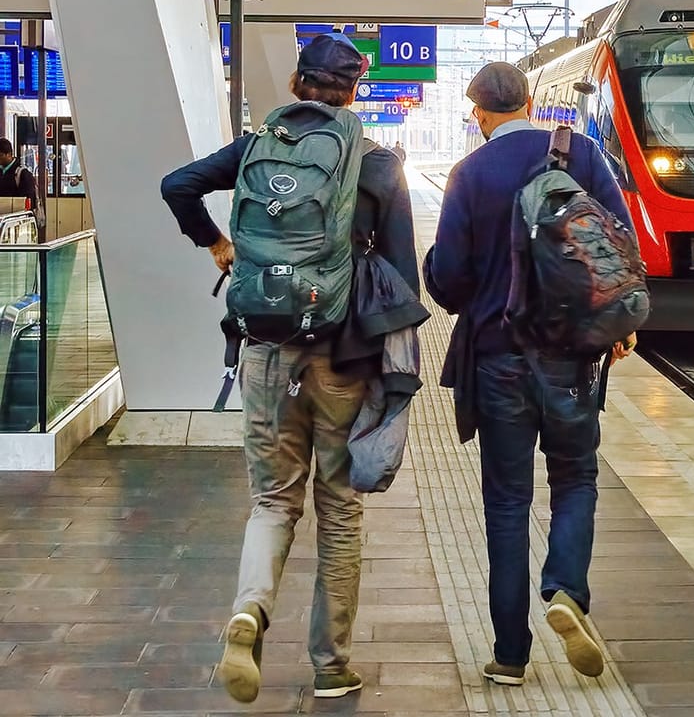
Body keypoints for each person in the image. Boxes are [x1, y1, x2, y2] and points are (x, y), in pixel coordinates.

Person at [160, 35, 417, 704]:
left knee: (273, 502)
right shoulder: (378, 164)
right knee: (338, 512)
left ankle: (249, 611)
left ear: (298, 84)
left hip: (264, 351)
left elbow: (177, 185)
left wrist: (215, 242)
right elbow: (403, 286)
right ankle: (332, 665)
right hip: (342, 360)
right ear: (353, 90)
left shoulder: (253, 149)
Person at [425, 62, 635, 686]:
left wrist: (444, 262)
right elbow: (620, 248)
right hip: (570, 359)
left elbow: (451, 283)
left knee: (508, 503)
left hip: (496, 360)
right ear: (529, 102)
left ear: (481, 112)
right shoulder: (583, 157)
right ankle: (566, 589)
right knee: (575, 479)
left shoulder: (471, 173)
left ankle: (510, 655)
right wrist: (618, 324)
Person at [0, 138, 35, 204]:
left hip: (16, 213)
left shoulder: (22, 174)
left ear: (9, 154)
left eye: (0, 155)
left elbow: (29, 201)